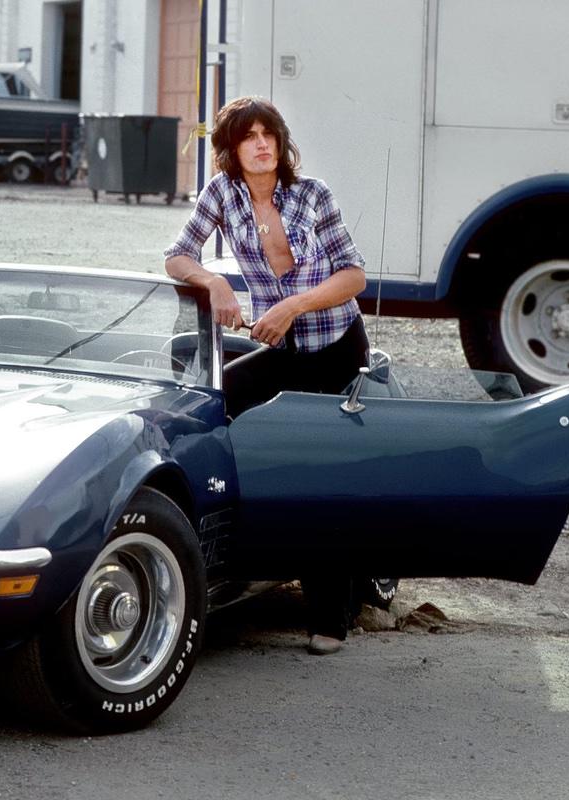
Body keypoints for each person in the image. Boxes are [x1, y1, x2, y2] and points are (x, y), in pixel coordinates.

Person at [164, 96, 368, 656]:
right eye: (248, 136)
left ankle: (332, 614)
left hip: (334, 347)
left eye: (269, 134)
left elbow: (354, 276)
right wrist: (214, 281)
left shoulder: (312, 195)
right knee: (207, 402)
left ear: (281, 143)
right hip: (281, 347)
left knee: (320, 471)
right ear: (231, 148)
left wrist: (294, 306)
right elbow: (177, 256)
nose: (261, 144)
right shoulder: (222, 195)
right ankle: (198, 550)